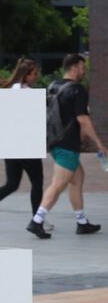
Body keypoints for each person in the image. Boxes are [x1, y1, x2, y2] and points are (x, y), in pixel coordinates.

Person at [26, 53, 108, 239]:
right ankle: (37, 221)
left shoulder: (53, 85)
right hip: (67, 144)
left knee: (77, 178)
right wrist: (98, 143)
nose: (84, 71)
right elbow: (83, 119)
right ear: (74, 67)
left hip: (54, 142)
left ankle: (82, 223)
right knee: (58, 184)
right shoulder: (77, 90)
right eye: (82, 67)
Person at [0, 57, 53, 230]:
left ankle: (37, 221)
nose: (37, 76)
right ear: (26, 75)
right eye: (34, 73)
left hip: (10, 147)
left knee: (12, 184)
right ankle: (36, 221)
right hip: (26, 146)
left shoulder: (8, 91)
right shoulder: (28, 94)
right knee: (37, 182)